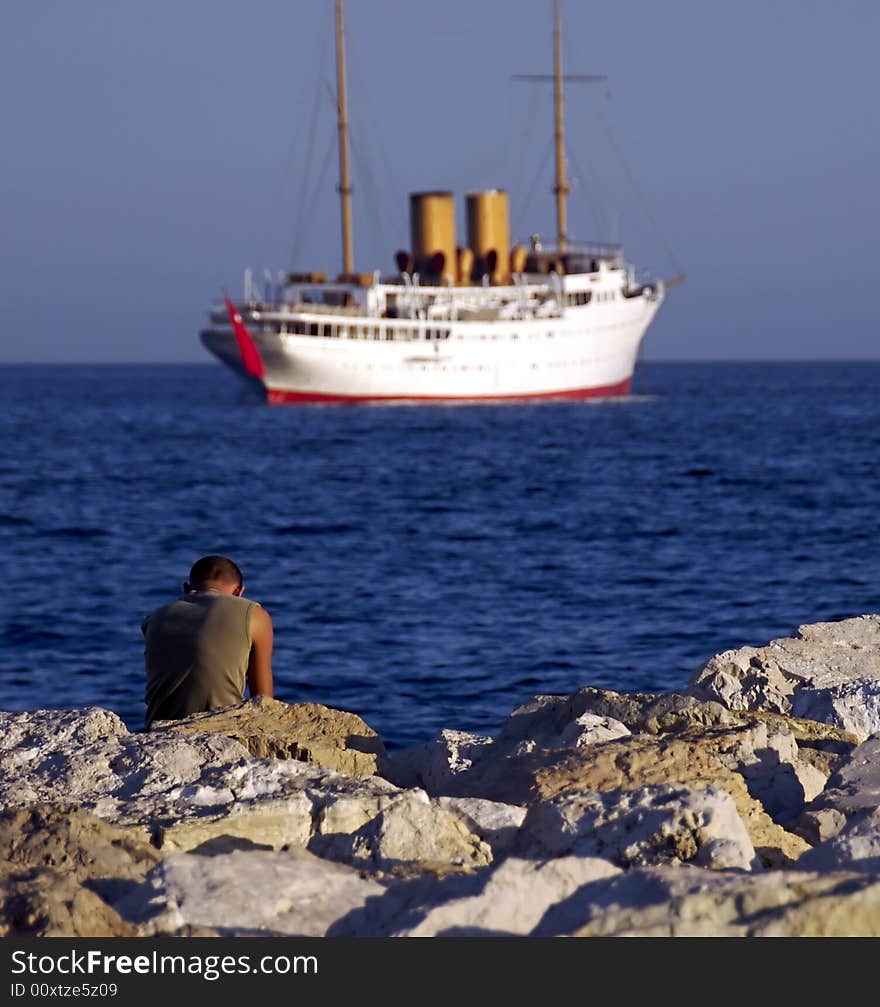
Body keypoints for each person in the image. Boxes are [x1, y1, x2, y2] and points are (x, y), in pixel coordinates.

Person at [142, 555, 274, 729]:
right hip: (220, 730)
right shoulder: (254, 615)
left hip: (159, 730)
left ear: (186, 588)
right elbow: (263, 700)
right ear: (239, 592)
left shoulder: (155, 618)